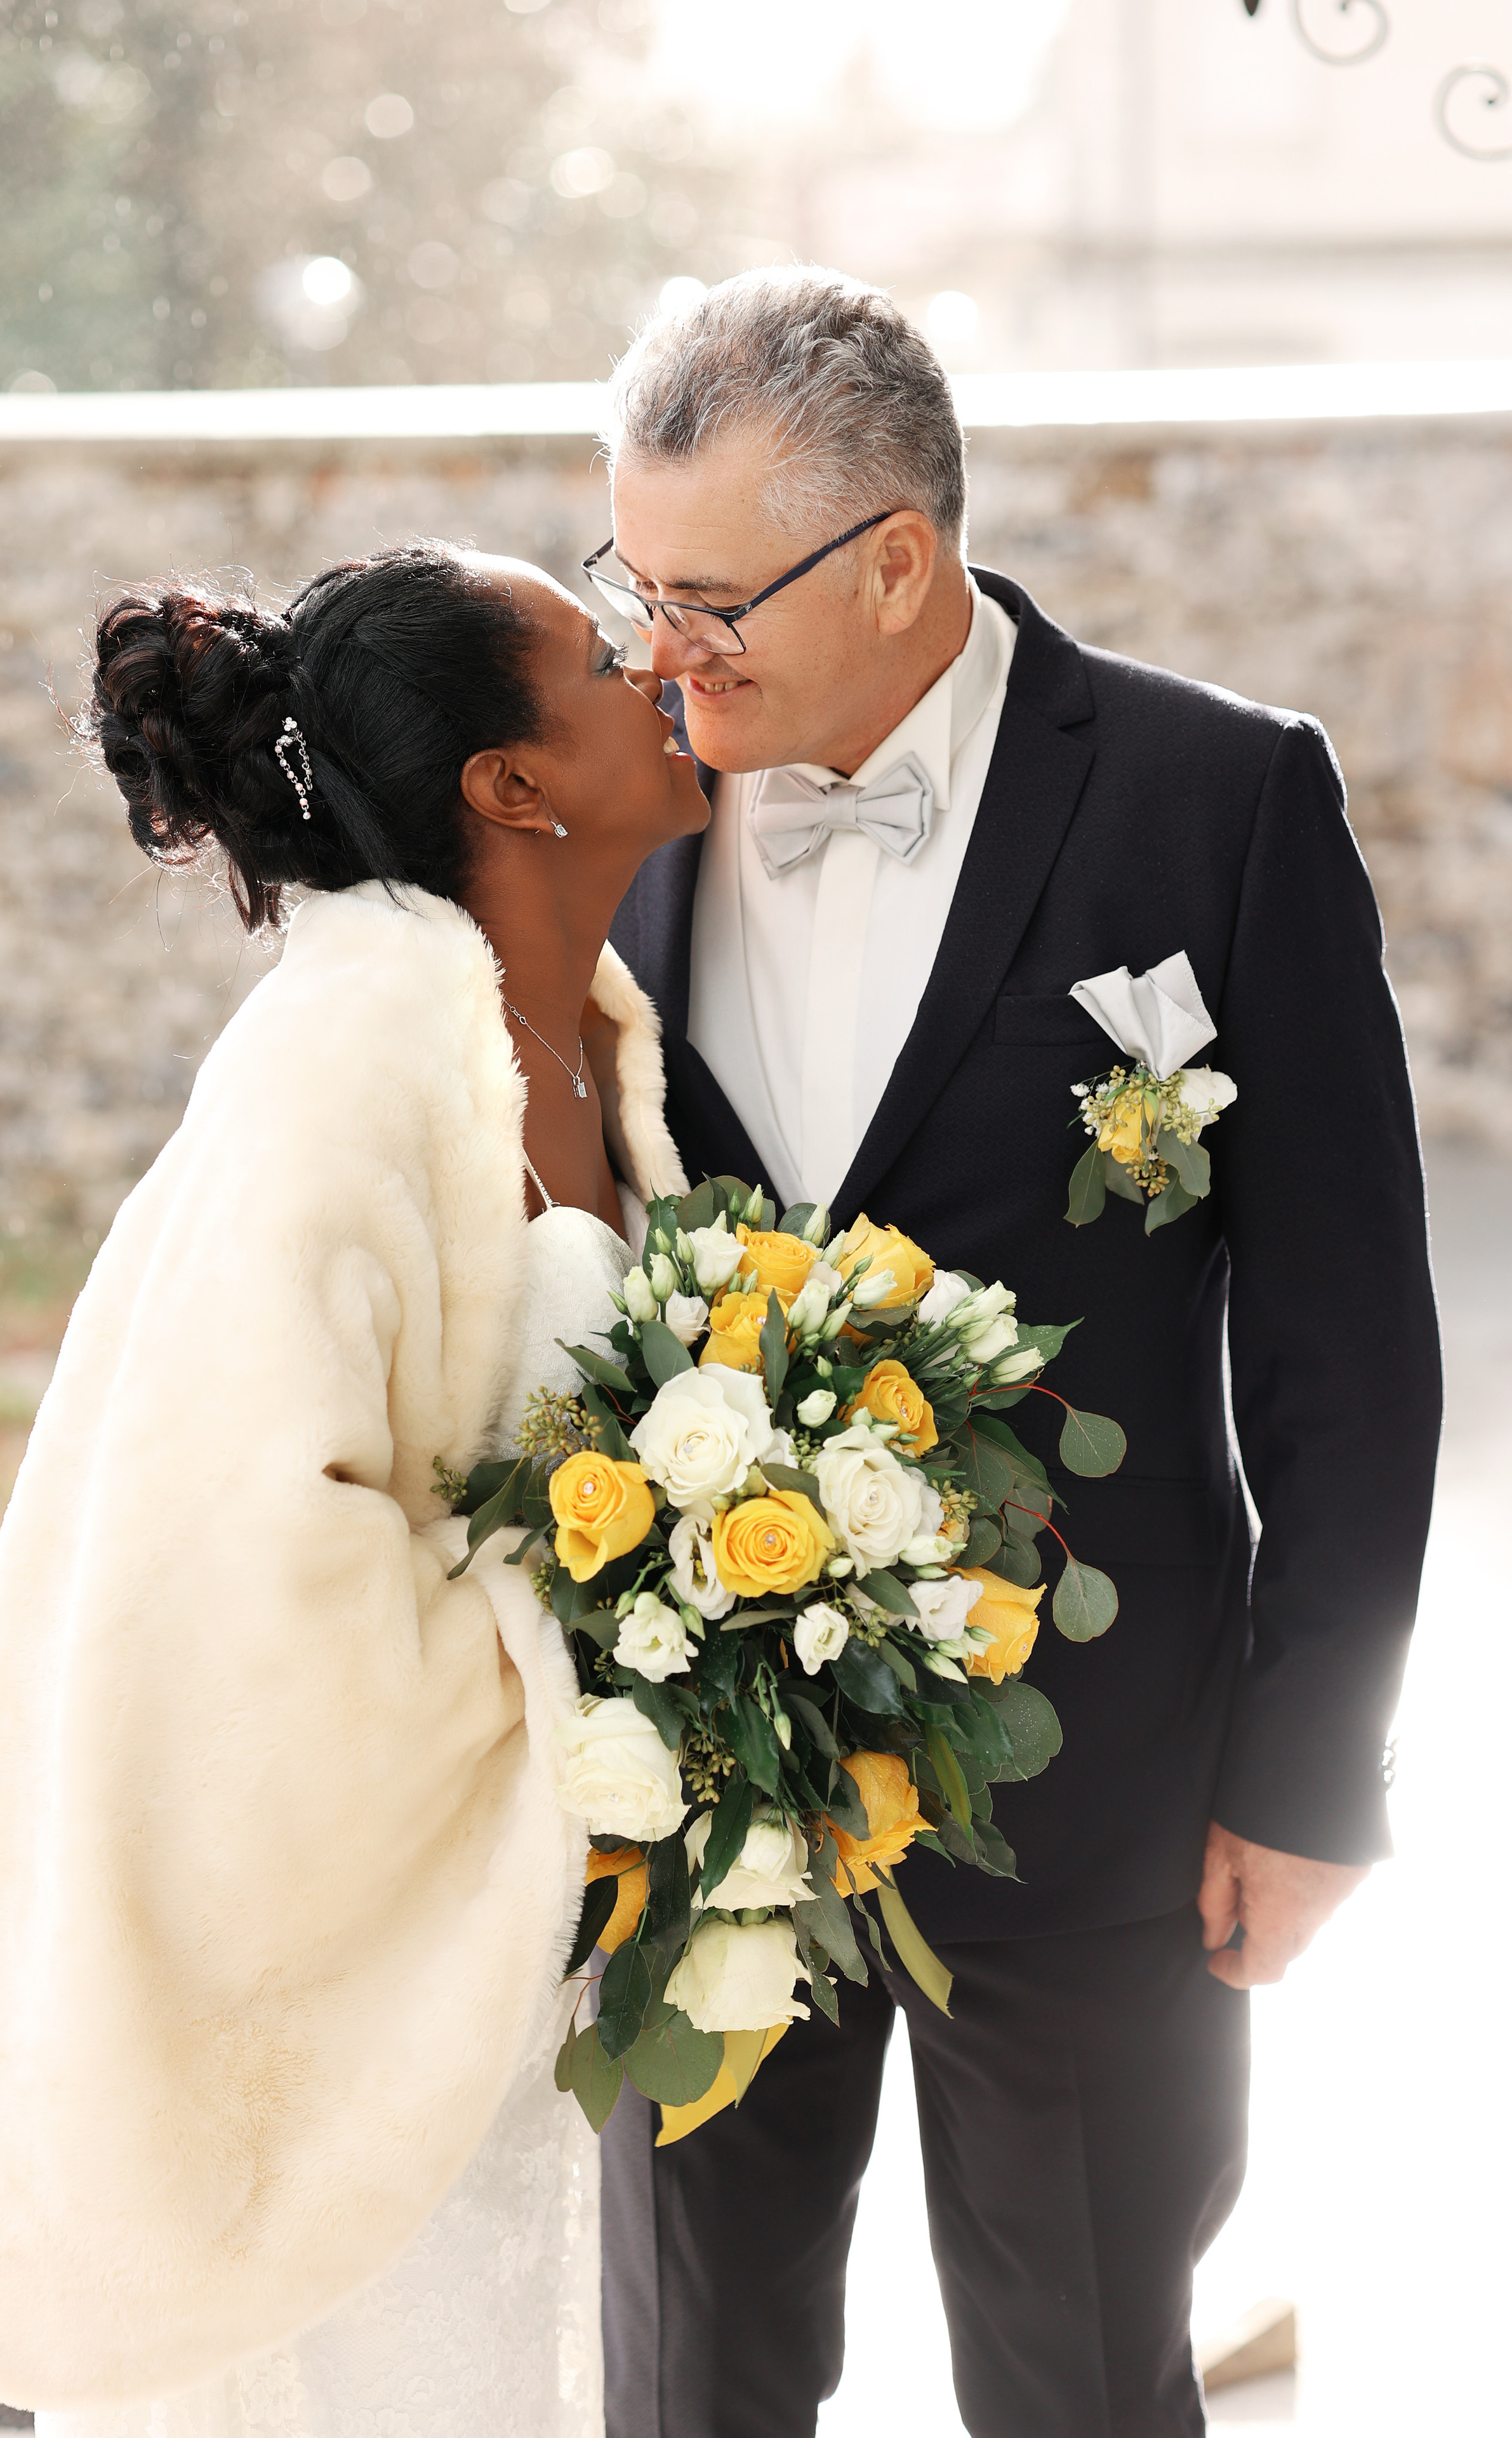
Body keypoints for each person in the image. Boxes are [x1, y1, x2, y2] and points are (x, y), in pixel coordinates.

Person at [597, 267, 1443, 2438]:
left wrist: (1309, 1768)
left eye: (708, 598)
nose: (657, 649)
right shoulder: (604, 812)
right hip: (696, 1785)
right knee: (696, 2377)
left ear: (897, 560)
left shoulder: (1219, 800)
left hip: (1102, 1775)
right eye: (634, 578)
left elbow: (1348, 1336)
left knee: (1082, 2368)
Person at [0, 542, 707, 2438]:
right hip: (356, 1943)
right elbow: (254, 1557)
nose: (655, 658)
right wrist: (581, 1694)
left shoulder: (592, 1034)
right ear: (513, 784)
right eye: (599, 653)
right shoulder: (343, 1060)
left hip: (515, 1965)